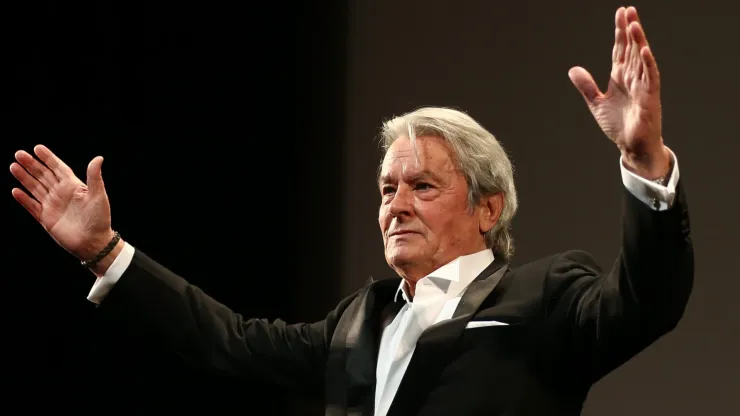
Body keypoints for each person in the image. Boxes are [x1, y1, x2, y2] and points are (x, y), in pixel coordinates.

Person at [9, 6, 692, 416]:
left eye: (422, 187)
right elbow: (230, 342)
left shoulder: (544, 295)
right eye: (386, 189)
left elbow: (647, 301)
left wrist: (645, 160)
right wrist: (104, 251)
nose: (396, 205)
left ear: (490, 209)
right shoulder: (358, 320)